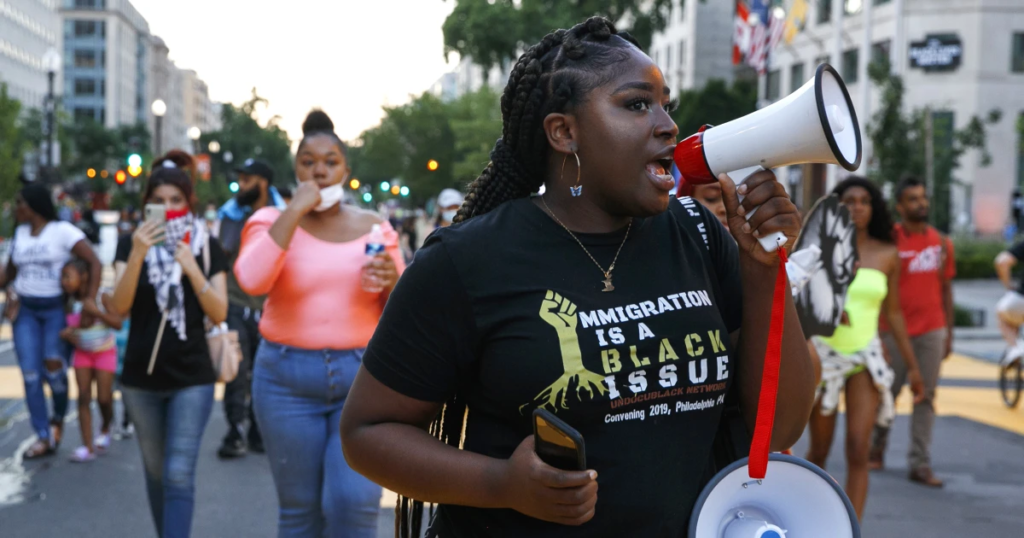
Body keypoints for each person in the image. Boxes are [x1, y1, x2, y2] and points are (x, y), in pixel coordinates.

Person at [339, 18, 814, 537]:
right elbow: (367, 432)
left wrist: (766, 270)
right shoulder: (467, 260)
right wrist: (502, 484)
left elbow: (780, 426)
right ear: (564, 132)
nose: (667, 125)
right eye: (637, 104)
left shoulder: (698, 234)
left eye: (665, 105)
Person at [235, 110, 404, 537]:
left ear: (346, 170)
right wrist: (293, 210)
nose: (320, 170)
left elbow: (404, 312)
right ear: (296, 170)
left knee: (354, 504)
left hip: (363, 379)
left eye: (330, 161)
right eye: (308, 162)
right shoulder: (269, 222)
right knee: (300, 512)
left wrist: (393, 280)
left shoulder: (375, 227)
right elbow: (252, 280)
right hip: (285, 382)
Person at [110, 151, 229, 538]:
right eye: (158, 201)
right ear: (147, 205)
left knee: (178, 474)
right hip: (140, 379)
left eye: (176, 201)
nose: (167, 209)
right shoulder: (130, 244)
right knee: (157, 473)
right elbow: (118, 307)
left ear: (188, 202)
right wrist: (139, 253)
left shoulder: (207, 245)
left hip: (191, 377)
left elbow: (219, 311)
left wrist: (192, 267)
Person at [805, 176, 926, 520]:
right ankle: (810, 520)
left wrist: (913, 367)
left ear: (874, 208)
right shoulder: (819, 249)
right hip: (825, 357)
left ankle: (851, 527)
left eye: (864, 201)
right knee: (818, 452)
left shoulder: (888, 253)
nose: (857, 208)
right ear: (836, 208)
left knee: (859, 449)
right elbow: (799, 296)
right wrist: (826, 309)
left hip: (865, 358)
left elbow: (895, 313)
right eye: (848, 201)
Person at [1, 184, 102, 459]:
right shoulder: (19, 234)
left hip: (55, 309)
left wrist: (89, 301)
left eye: (19, 202)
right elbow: (8, 273)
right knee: (31, 375)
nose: (16, 207)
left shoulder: (62, 231)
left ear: (32, 205)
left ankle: (57, 418)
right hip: (26, 311)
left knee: (54, 370)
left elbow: (94, 262)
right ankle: (43, 435)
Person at [868, 176, 954, 487]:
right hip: (892, 331)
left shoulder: (941, 243)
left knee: (926, 397)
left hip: (932, 330)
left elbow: (946, 289)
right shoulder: (889, 241)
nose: (921, 204)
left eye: (923, 197)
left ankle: (920, 463)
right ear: (900, 206)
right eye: (913, 199)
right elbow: (877, 290)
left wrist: (949, 333)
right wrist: (877, 335)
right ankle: (876, 448)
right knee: (887, 394)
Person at [215, 157, 287, 458]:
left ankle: (258, 430)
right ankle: (235, 431)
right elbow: (221, 254)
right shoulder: (230, 213)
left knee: (263, 373)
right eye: (240, 179)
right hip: (234, 302)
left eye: (247, 180)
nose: (241, 186)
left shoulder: (283, 215)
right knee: (235, 370)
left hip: (270, 308)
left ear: (263, 183)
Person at [60, 258, 123, 462]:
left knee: (104, 398)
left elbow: (118, 323)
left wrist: (96, 312)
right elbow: (67, 328)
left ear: (84, 276)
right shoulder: (69, 302)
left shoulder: (101, 296)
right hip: (82, 353)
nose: (64, 281)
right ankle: (87, 446)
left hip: (105, 352)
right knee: (83, 397)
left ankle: (106, 425)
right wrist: (67, 334)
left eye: (68, 276)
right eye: (63, 277)